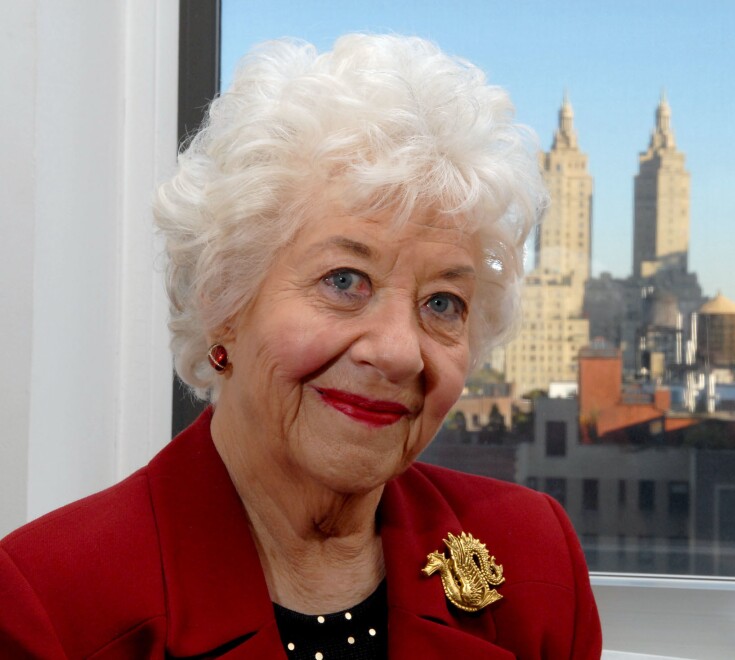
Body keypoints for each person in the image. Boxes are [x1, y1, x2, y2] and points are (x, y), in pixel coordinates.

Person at [0, 34, 601, 658]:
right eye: (344, 282)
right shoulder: (48, 601)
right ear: (224, 302)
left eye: (442, 304)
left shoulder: (535, 560)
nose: (399, 351)